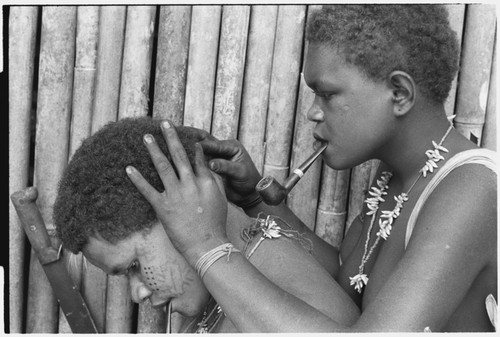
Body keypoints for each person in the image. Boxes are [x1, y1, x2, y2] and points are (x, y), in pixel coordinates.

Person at [126, 4, 498, 332]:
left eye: (328, 94)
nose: (313, 112)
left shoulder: (473, 189)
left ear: (399, 93)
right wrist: (260, 204)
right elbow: (346, 280)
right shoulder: (394, 177)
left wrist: (204, 246)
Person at [53, 117, 359, 333]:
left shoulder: (313, 314)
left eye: (134, 265)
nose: (137, 294)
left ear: (178, 208)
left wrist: (204, 246)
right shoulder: (215, 300)